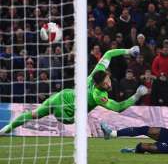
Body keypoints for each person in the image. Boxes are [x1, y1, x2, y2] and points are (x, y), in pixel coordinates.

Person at [0, 47, 148, 134]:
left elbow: (108, 53)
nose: (109, 85)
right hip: (67, 112)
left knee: (33, 114)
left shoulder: (96, 73)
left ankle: (5, 129)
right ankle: (6, 129)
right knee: (63, 118)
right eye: (105, 84)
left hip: (62, 96)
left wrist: (128, 51)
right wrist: (136, 96)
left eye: (108, 81)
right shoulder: (98, 95)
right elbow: (118, 107)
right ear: (98, 85)